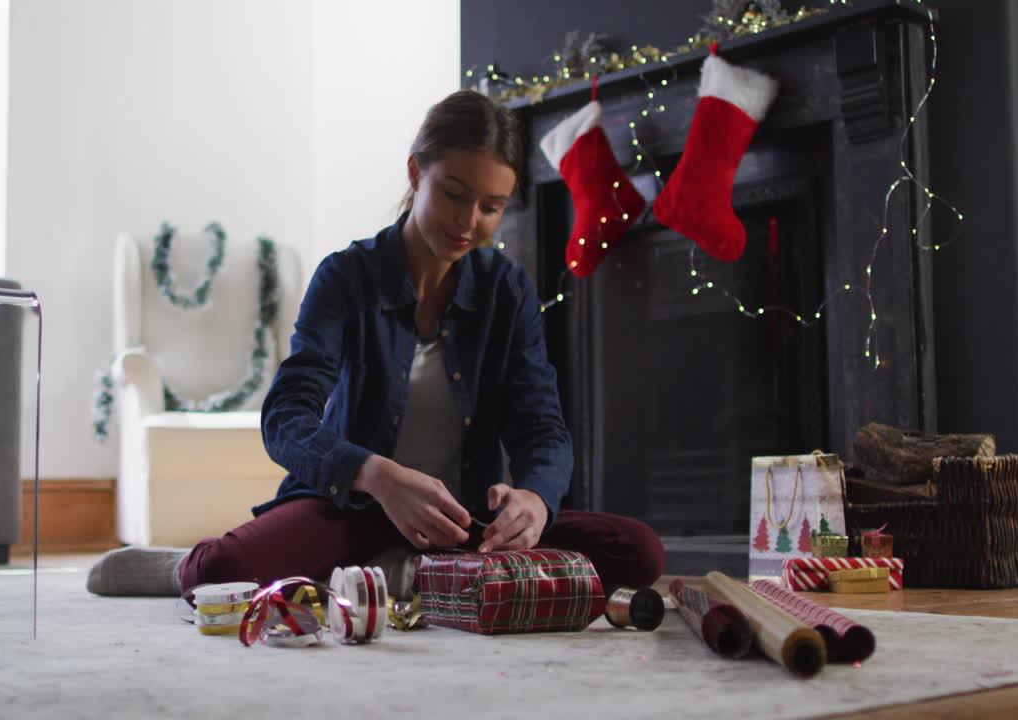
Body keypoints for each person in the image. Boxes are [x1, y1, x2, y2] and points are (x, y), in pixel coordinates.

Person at [87, 89, 665, 600]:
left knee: (637, 553)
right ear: (416, 173)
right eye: (454, 194)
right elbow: (286, 418)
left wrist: (535, 498)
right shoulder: (346, 276)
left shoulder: (506, 289)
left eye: (490, 207)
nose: (468, 221)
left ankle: (394, 573)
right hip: (351, 508)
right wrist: (378, 476)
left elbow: (542, 427)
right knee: (228, 570)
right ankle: (188, 567)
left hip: (463, 523)